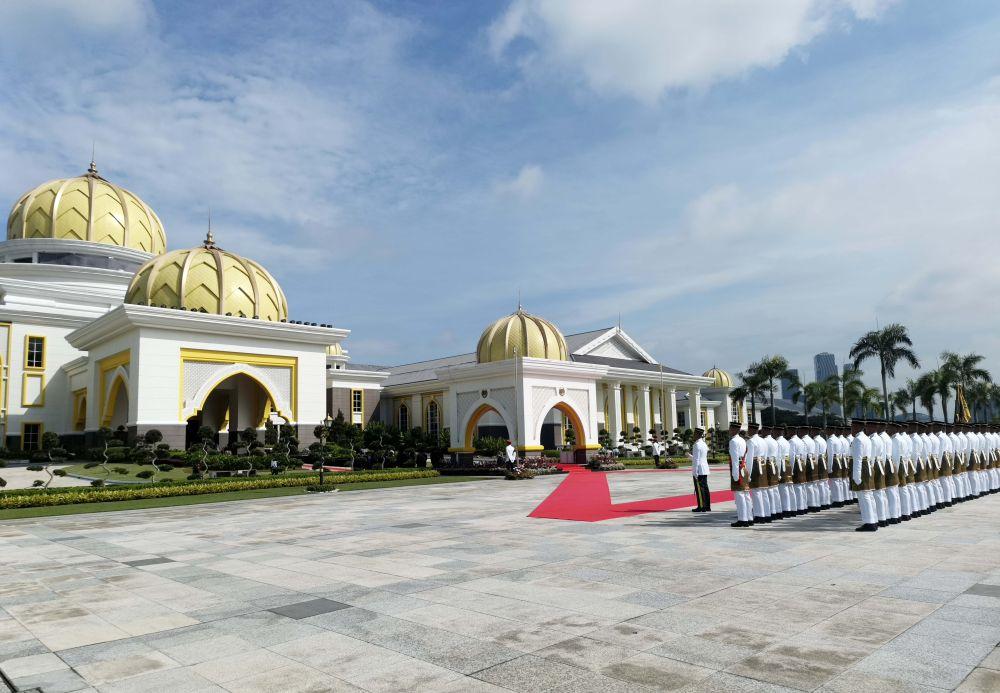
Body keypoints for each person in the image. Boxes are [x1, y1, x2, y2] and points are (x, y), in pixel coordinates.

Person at [850, 418, 878, 531]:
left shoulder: (858, 439)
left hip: (861, 468)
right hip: (867, 467)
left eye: (852, 427)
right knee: (868, 496)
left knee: (864, 497)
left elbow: (857, 459)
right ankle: (873, 521)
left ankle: (869, 522)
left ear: (857, 427)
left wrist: (856, 476)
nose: (851, 429)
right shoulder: (866, 438)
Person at [729, 422, 752, 527]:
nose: (730, 431)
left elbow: (734, 459)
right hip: (744, 467)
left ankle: (743, 519)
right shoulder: (742, 440)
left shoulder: (733, 441)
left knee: (739, 496)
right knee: (746, 495)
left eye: (731, 429)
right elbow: (746, 456)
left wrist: (735, 475)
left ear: (735, 430)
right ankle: (749, 517)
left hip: (738, 468)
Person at [689, 428, 711, 512]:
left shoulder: (696, 445)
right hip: (704, 468)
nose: (693, 435)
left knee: (699, 489)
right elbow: (700, 457)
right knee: (705, 488)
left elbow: (697, 460)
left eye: (694, 434)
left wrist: (695, 472)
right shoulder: (704, 444)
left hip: (699, 469)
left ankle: (701, 506)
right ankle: (707, 506)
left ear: (698, 435)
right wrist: (690, 456)